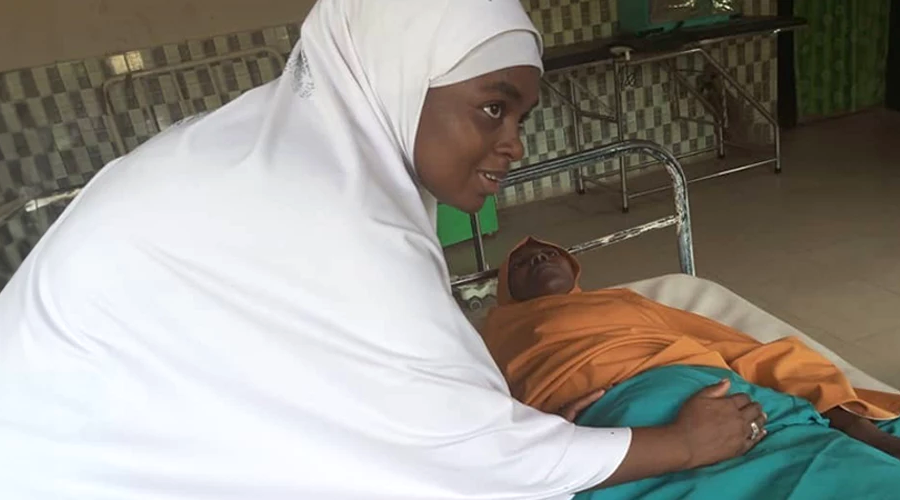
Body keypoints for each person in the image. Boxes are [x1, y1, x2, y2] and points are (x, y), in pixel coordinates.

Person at [0, 1, 770, 499]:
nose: (513, 144)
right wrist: (680, 443)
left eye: (521, 115)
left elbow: (321, 372)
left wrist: (492, 418)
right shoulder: (340, 224)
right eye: (492, 107)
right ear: (398, 82)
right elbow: (474, 461)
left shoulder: (272, 143)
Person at [481, 237, 900, 498]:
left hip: (714, 398)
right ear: (505, 293)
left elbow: (740, 350)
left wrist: (848, 420)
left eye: (549, 253)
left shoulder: (626, 304)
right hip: (602, 432)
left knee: (848, 474)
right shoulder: (493, 337)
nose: (539, 260)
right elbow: (476, 422)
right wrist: (542, 428)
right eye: (521, 263)